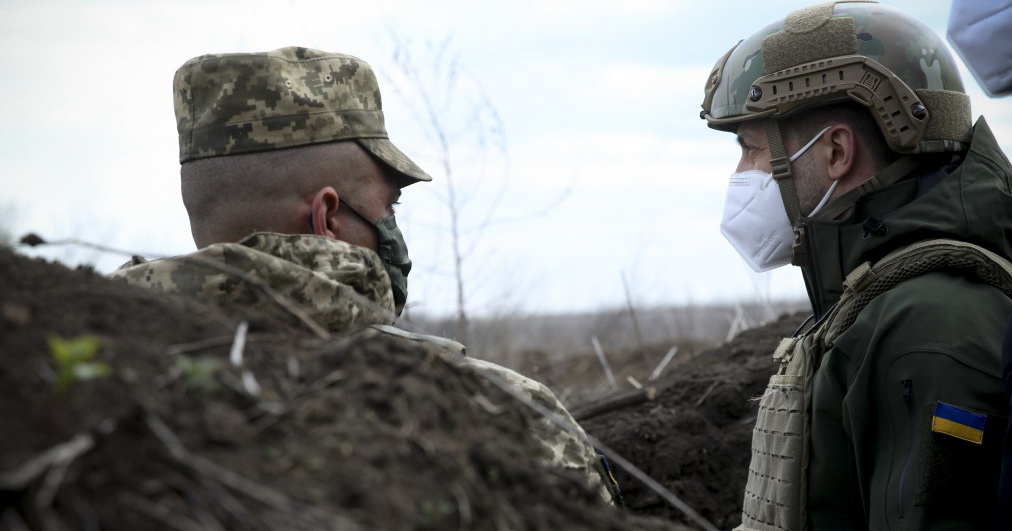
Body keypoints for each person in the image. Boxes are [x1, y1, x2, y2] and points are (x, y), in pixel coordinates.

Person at [109, 46, 616, 503]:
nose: (393, 230)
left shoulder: (92, 371)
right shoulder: (497, 412)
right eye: (390, 207)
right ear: (327, 217)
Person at [699, 1, 1012, 529]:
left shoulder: (930, 326)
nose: (741, 173)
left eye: (751, 148)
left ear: (836, 152)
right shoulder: (872, 300)